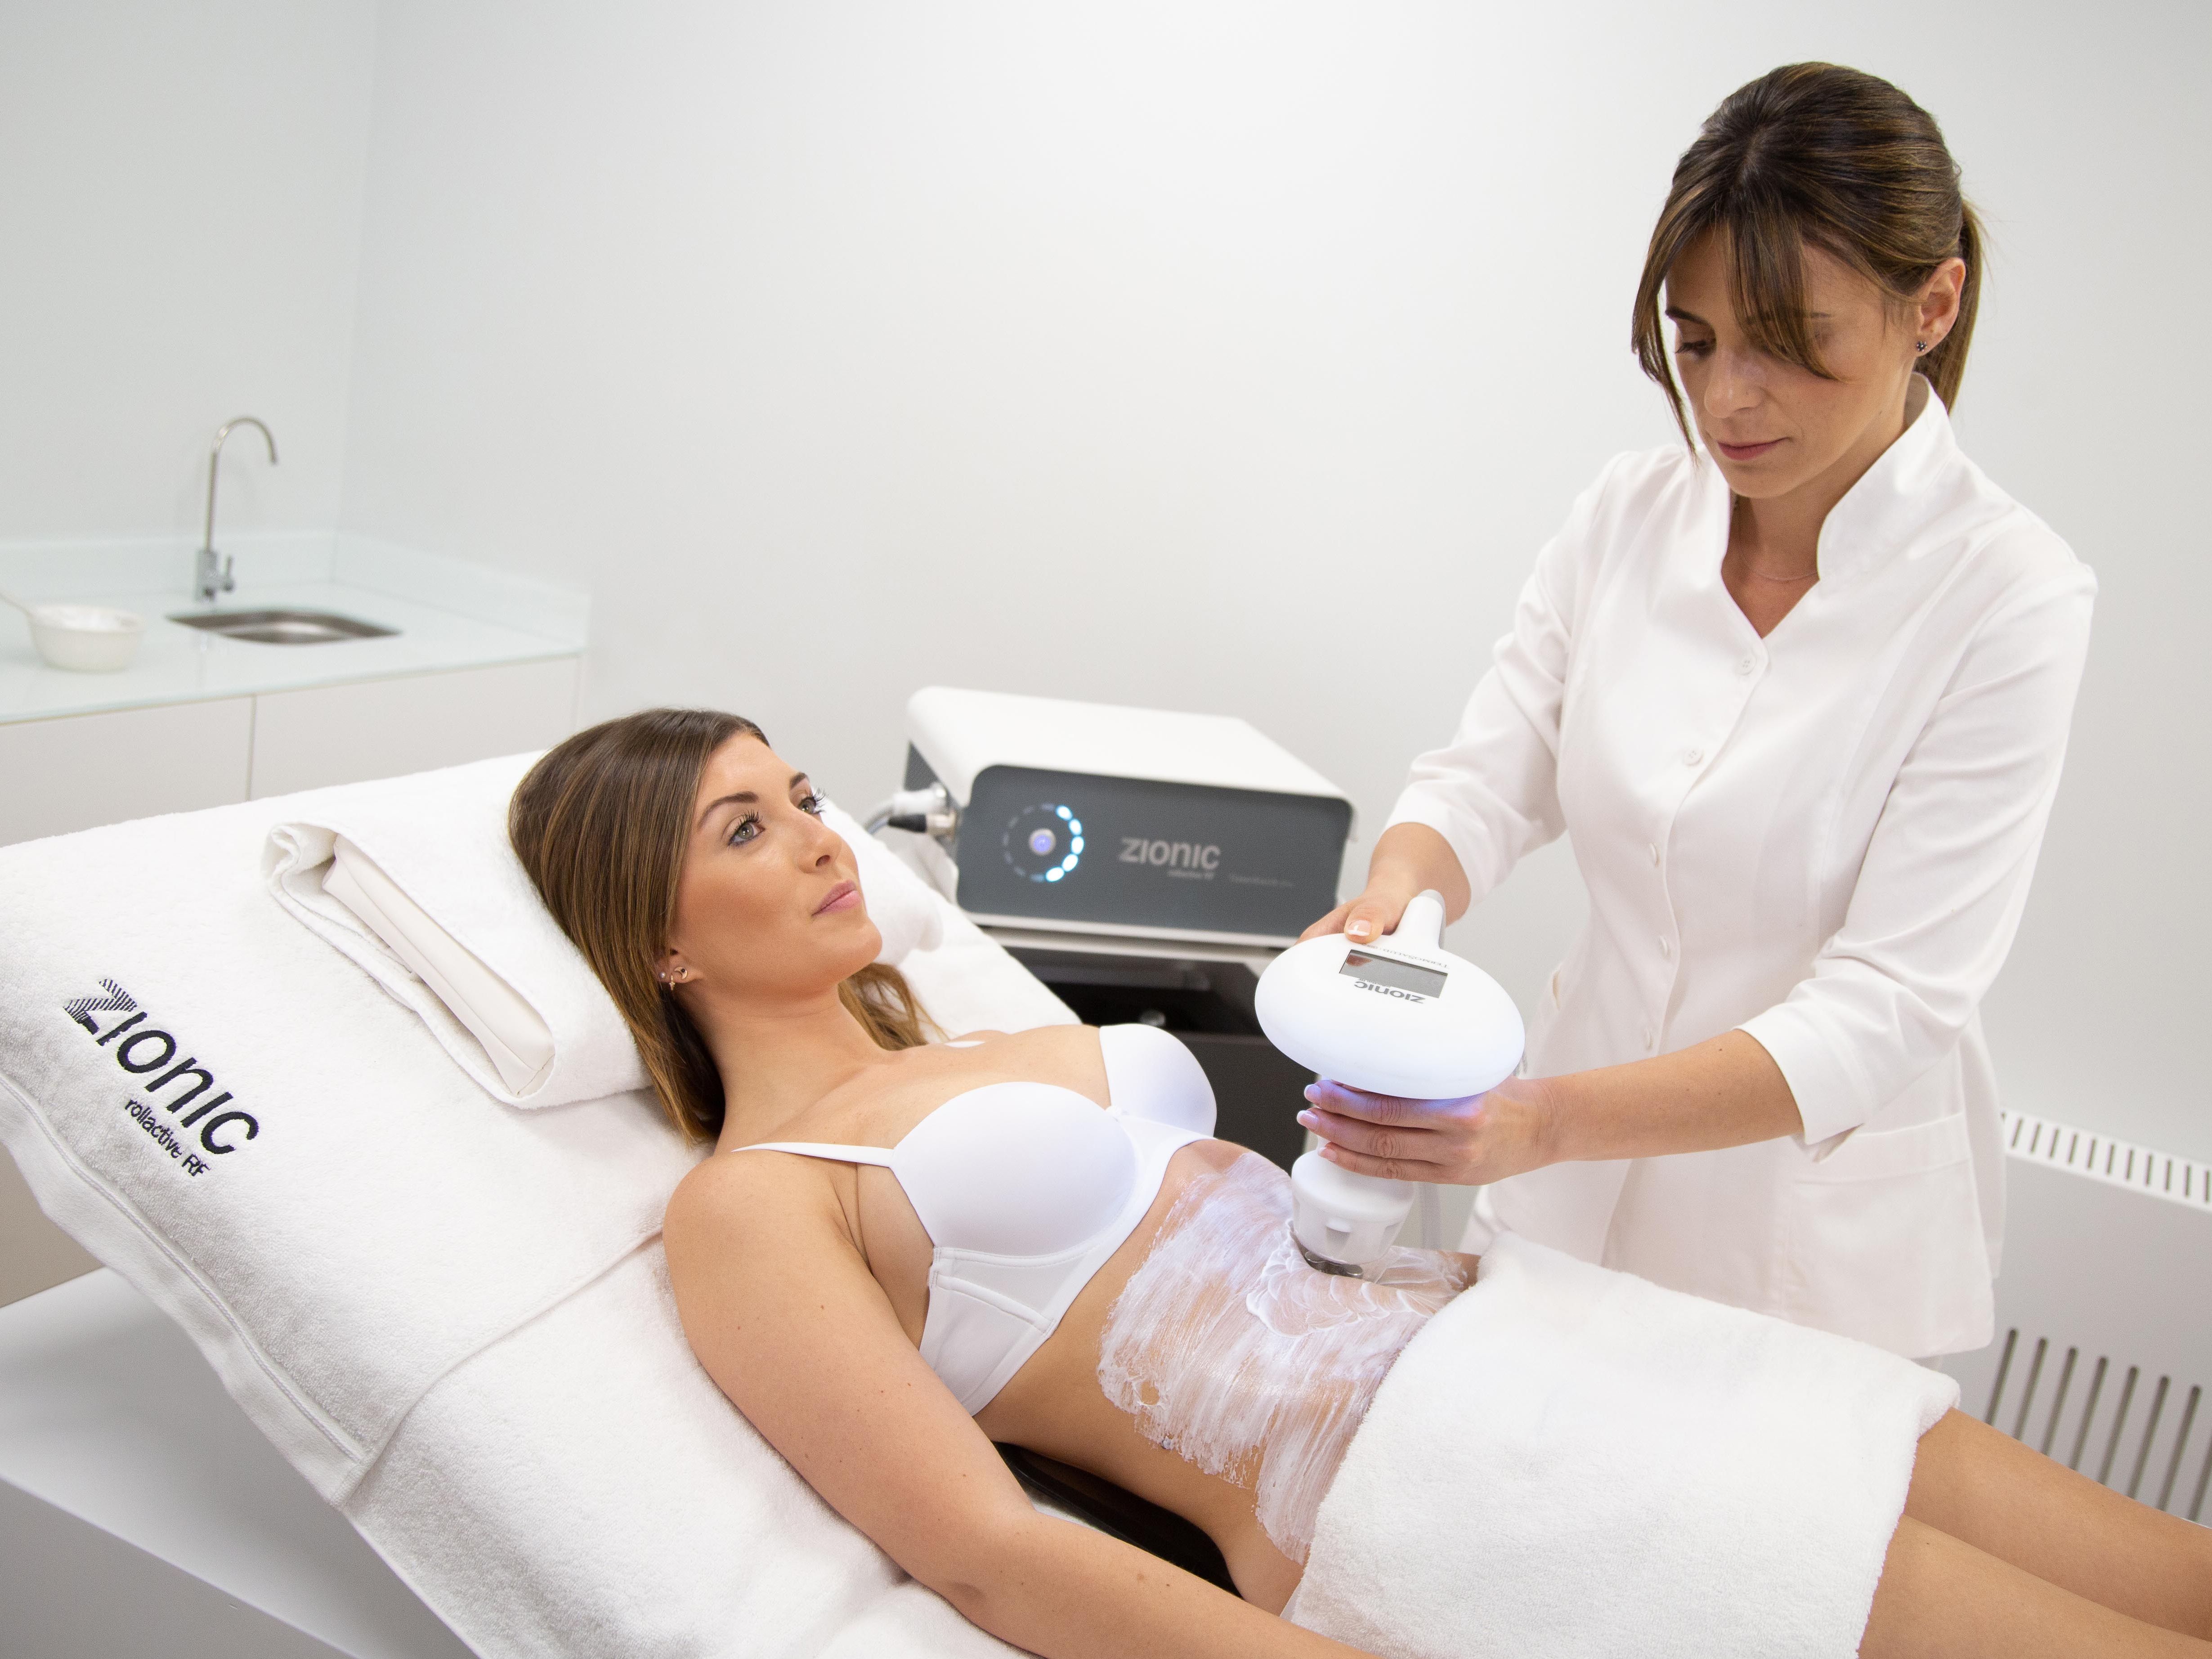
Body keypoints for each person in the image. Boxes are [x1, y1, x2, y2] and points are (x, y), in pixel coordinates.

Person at [507, 707, 2209, 1659]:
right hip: (1465, 1473)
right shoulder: (751, 1203)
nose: (818, 837)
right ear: (652, 941)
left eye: (802, 797)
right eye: (743, 830)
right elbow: (980, 1548)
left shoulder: (960, 1026)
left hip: (1562, 1338)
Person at [1300, 63, 2095, 1359]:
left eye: (1792, 344)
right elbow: (1489, 778)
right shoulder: (1630, 514)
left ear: (1932, 304)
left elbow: (1887, 1004)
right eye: (1699, 340)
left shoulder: (2010, 598)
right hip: (1557, 1195)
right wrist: (1398, 900)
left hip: (1800, 1246)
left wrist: (1544, 1119)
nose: (1729, 399)